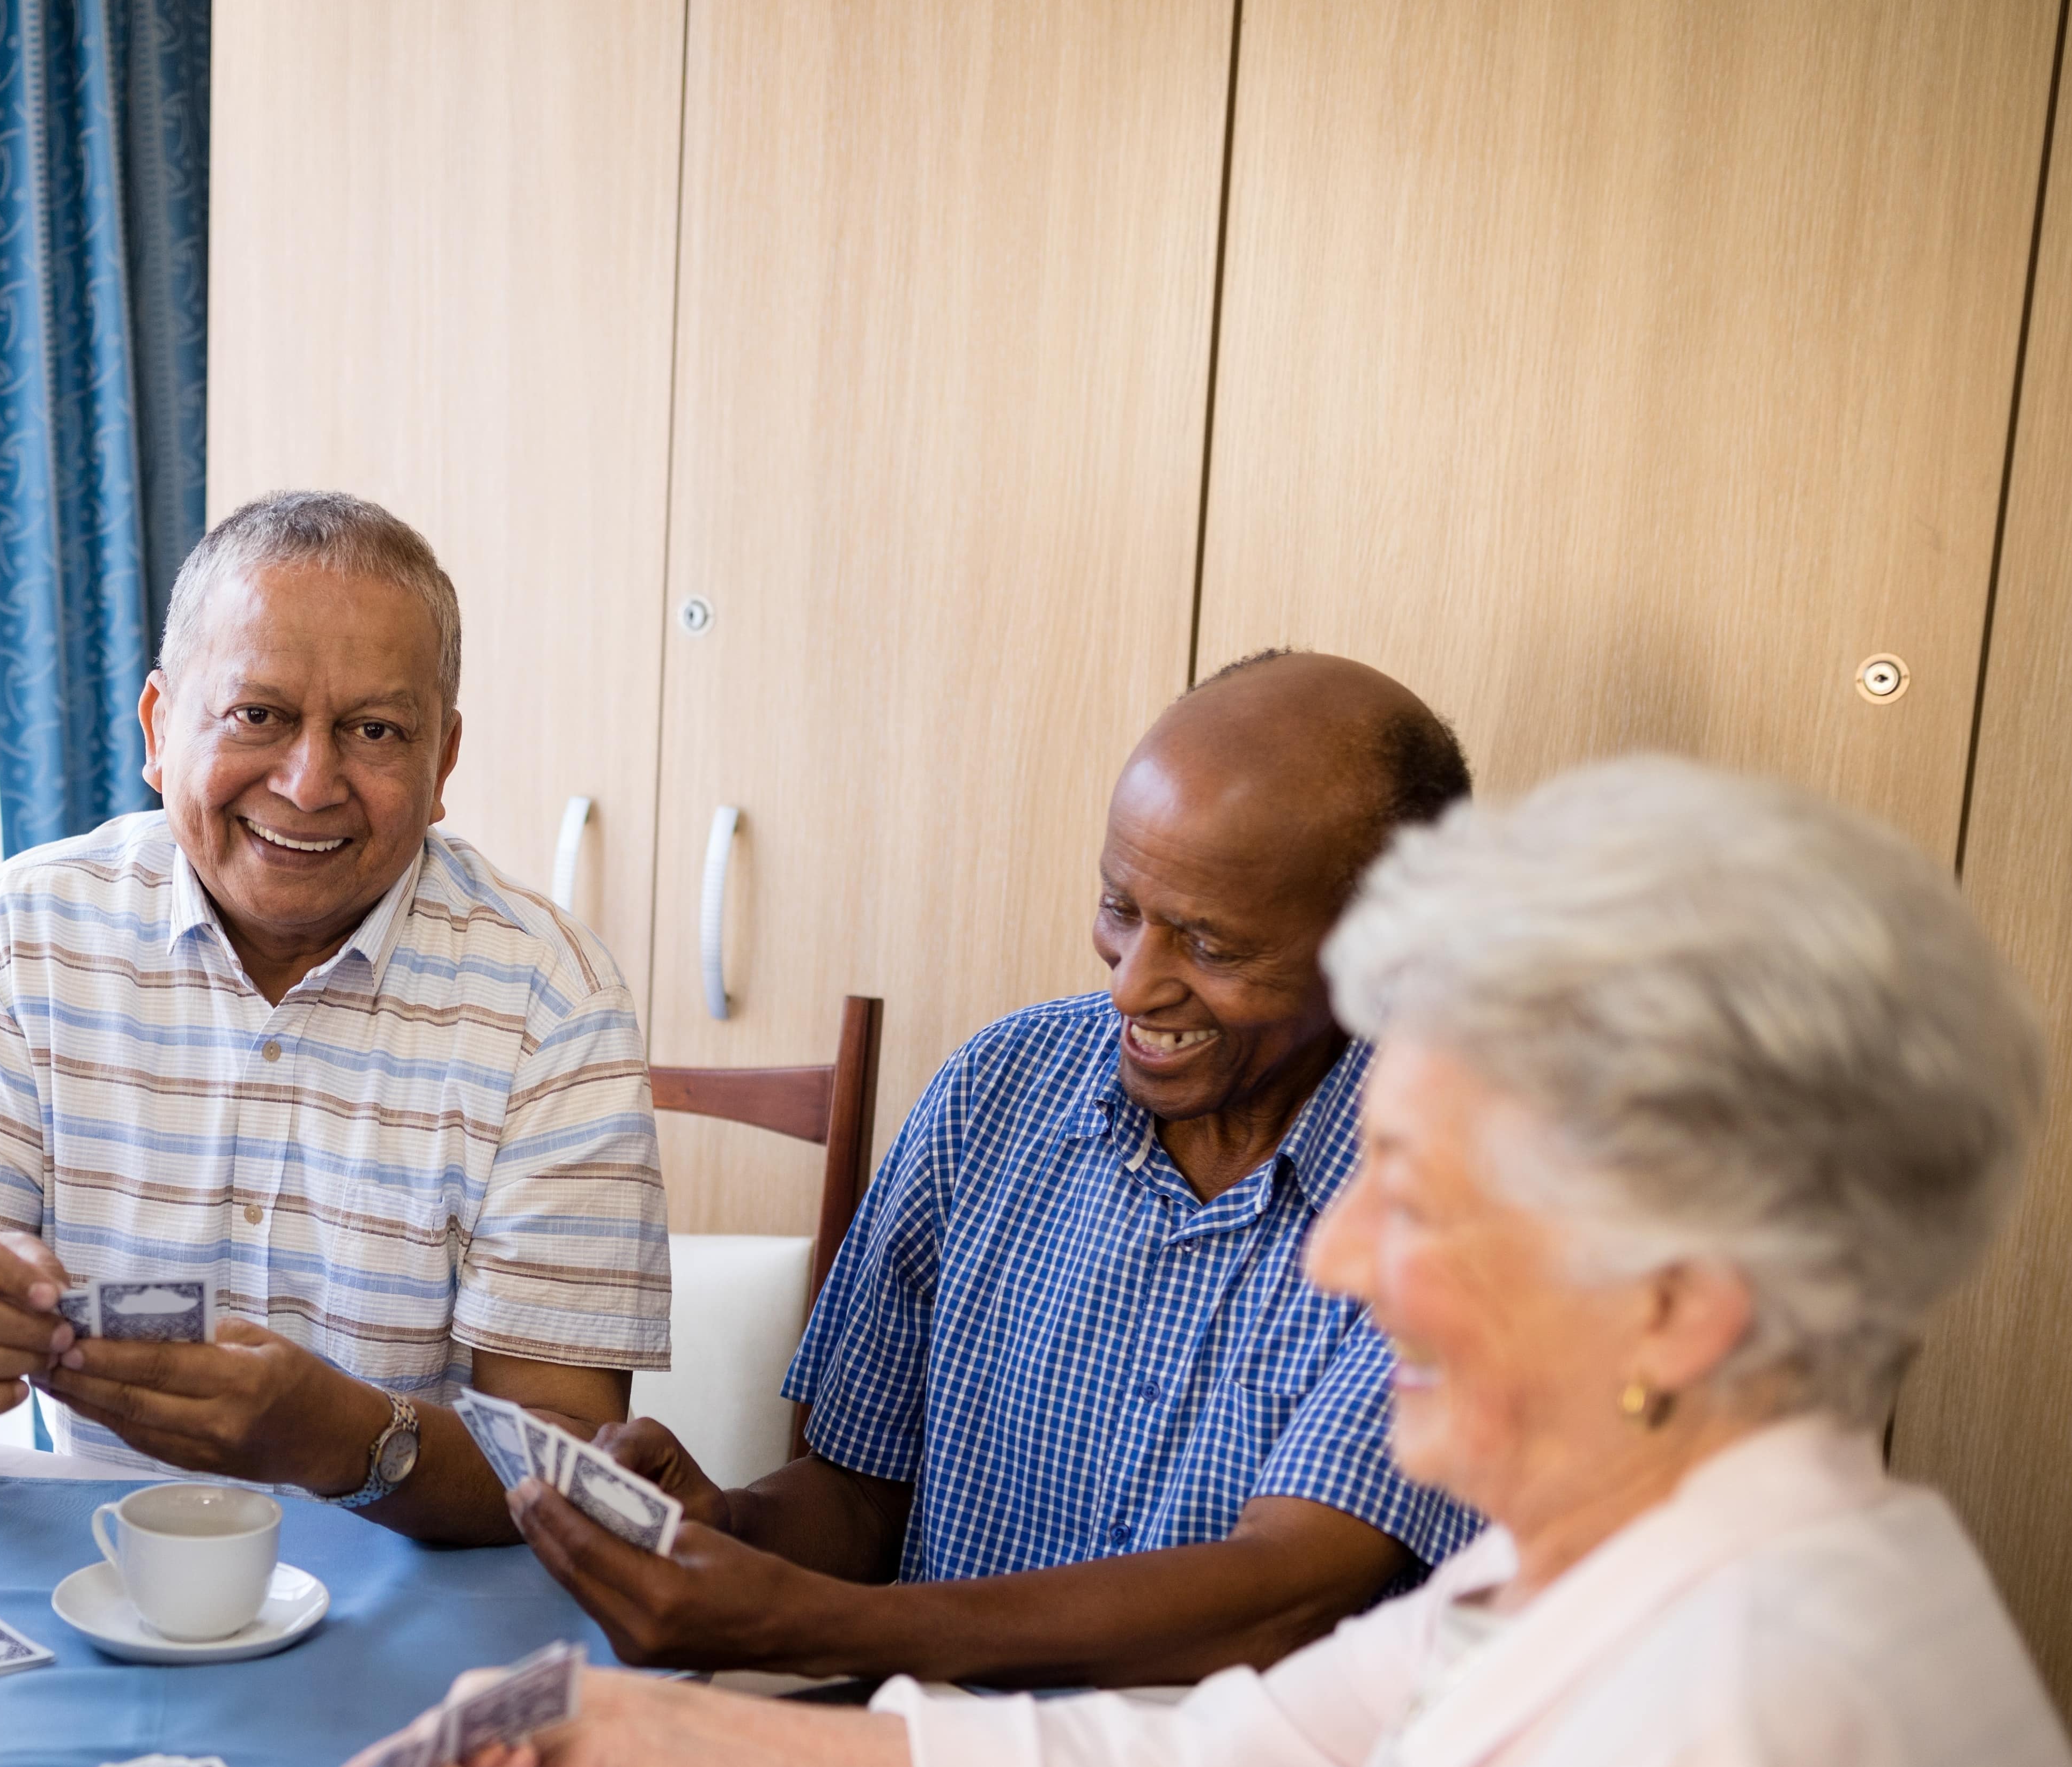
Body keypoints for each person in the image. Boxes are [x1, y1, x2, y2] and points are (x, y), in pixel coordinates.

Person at [388, 757, 2072, 1767]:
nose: (1342, 1261)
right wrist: (647, 1740)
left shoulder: (1730, 1761)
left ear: (1680, 1303)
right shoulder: (1647, 1562)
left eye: (1420, 1202)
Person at [533, 650, 1480, 1684]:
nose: (1134, 986)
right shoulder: (999, 1090)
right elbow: (859, 1497)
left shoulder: (1465, 1205)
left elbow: (1281, 1596)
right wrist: (727, 1530)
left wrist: (807, 1627)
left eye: (1211, 946)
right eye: (1122, 907)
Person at [0, 491, 670, 1544]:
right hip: (105, 1578)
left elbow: (571, 1463)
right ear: (158, 727)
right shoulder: (25, 937)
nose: (308, 780)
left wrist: (351, 1439)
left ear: (443, 763)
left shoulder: (556, 997)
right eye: (257, 715)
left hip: (422, 1605)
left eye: (374, 729)